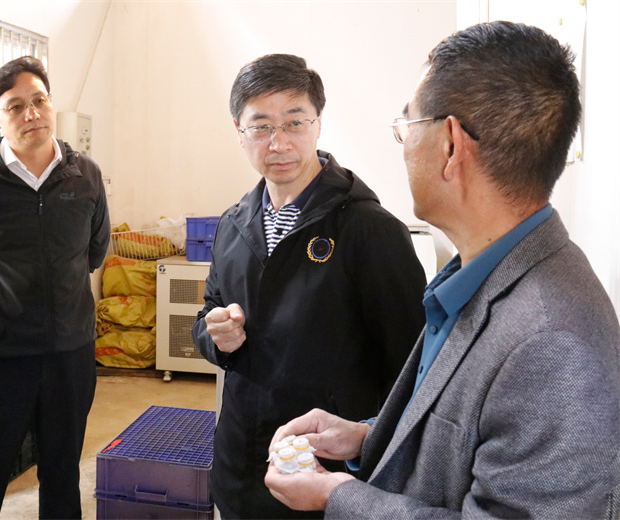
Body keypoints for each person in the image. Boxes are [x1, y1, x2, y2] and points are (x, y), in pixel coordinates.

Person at [265, 21, 620, 519]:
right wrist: (365, 436)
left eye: (407, 125)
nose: (403, 144)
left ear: (450, 145)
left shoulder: (553, 343)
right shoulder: (479, 275)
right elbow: (460, 432)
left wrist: (337, 496)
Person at [191, 53, 427, 519]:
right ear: (239, 131)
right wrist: (215, 335)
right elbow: (208, 315)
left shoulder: (369, 230)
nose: (278, 142)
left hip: (327, 475)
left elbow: (412, 368)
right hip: (241, 465)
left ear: (318, 124)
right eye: (261, 126)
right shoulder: (233, 226)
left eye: (294, 122)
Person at [0, 55, 110, 518]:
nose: (31, 114)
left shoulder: (85, 175)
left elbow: (93, 253)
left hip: (69, 353)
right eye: (15, 106)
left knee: (62, 472)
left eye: (39, 101)